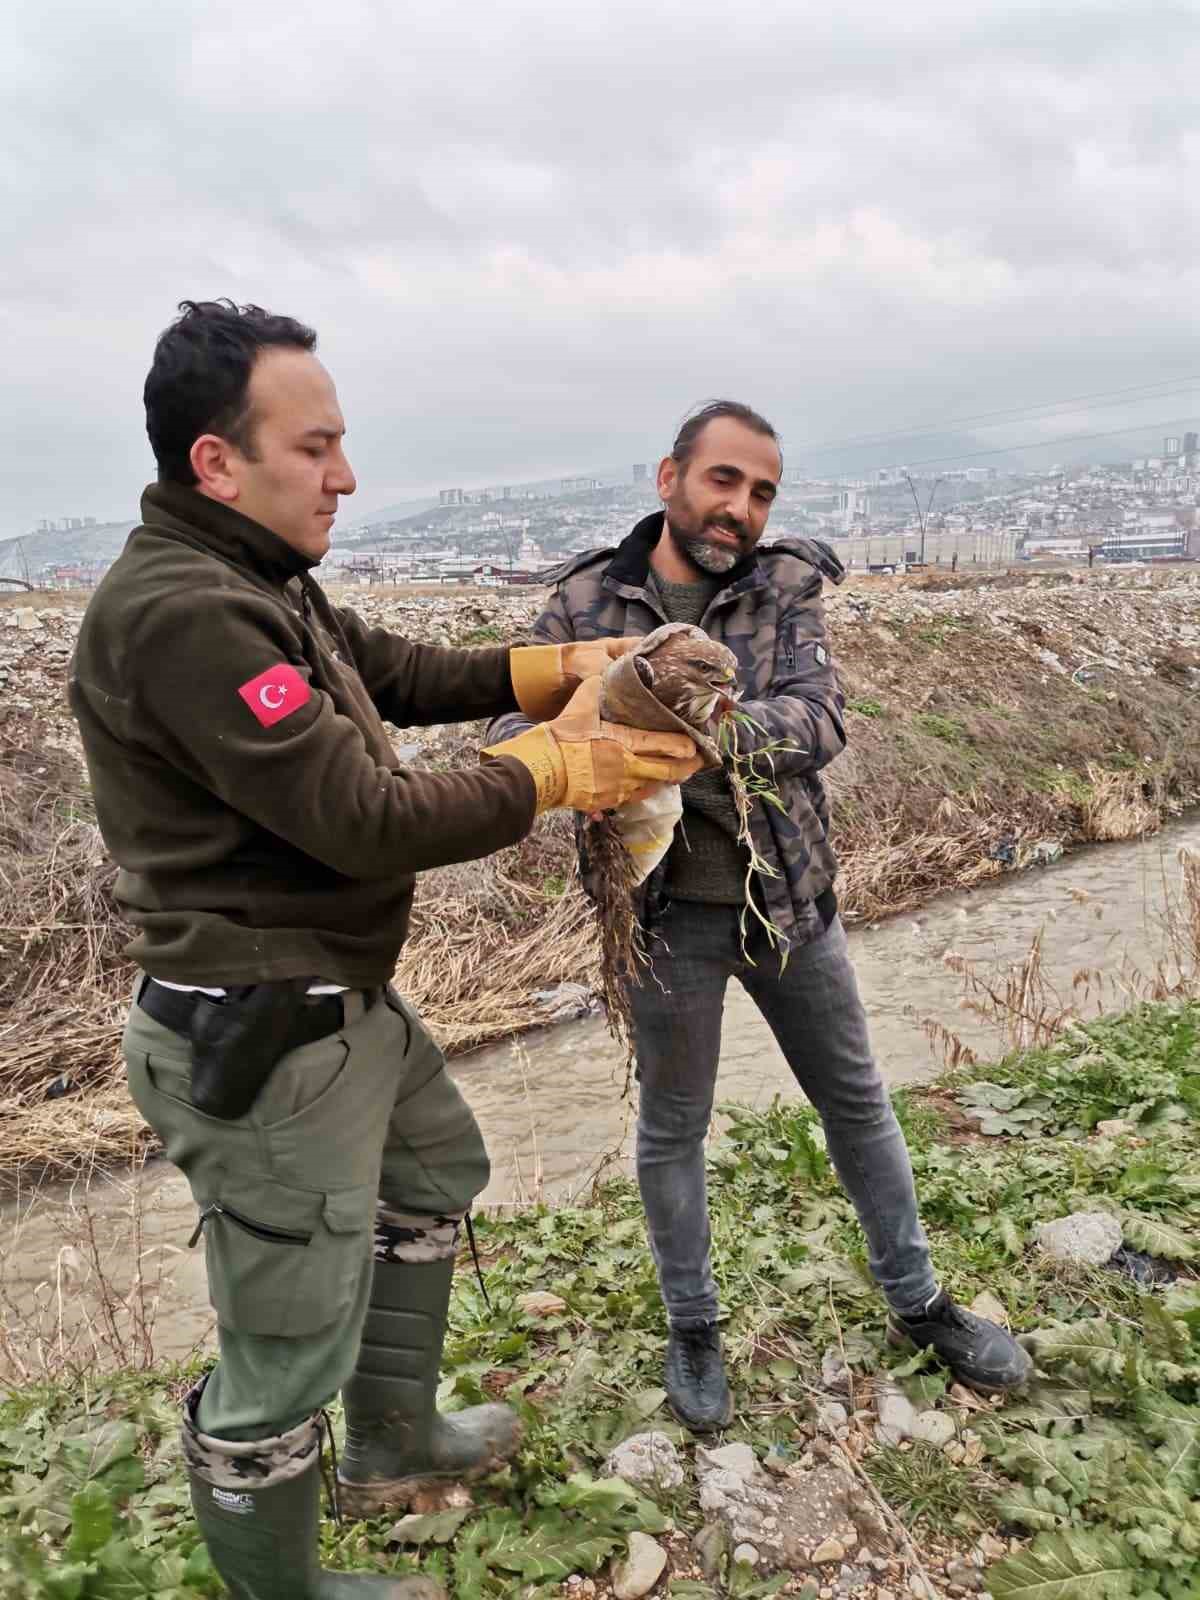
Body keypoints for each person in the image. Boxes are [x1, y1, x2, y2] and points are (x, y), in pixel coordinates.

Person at [68, 300, 700, 1600]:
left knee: (433, 1172)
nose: (347, 476)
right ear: (217, 462)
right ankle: (284, 1589)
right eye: (319, 447)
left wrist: (555, 668)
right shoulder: (184, 614)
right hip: (261, 1036)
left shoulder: (256, 579)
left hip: (338, 1004)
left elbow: (395, 672)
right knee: (281, 1346)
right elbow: (365, 822)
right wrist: (565, 762)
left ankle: (394, 1443)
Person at [487, 400, 1032, 1432]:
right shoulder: (583, 600)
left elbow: (818, 719)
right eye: (724, 480)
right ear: (670, 477)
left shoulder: (784, 587)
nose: (741, 506)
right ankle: (693, 1326)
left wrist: (695, 728)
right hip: (660, 917)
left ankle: (919, 1302)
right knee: (673, 1127)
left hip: (792, 903)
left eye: (763, 491)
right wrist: (591, 739)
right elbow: (516, 727)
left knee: (858, 1102)